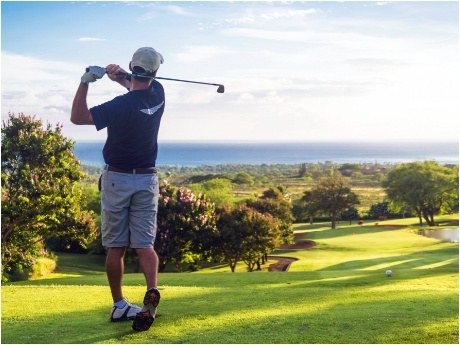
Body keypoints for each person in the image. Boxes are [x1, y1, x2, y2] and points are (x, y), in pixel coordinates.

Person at [71, 47, 165, 332]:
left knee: (116, 246)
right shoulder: (159, 93)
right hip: (147, 179)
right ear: (156, 72)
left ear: (131, 66)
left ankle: (119, 306)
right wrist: (119, 77)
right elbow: (136, 84)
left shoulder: (119, 106)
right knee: (144, 245)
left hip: (118, 179)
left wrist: (86, 80)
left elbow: (78, 117)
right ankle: (151, 293)